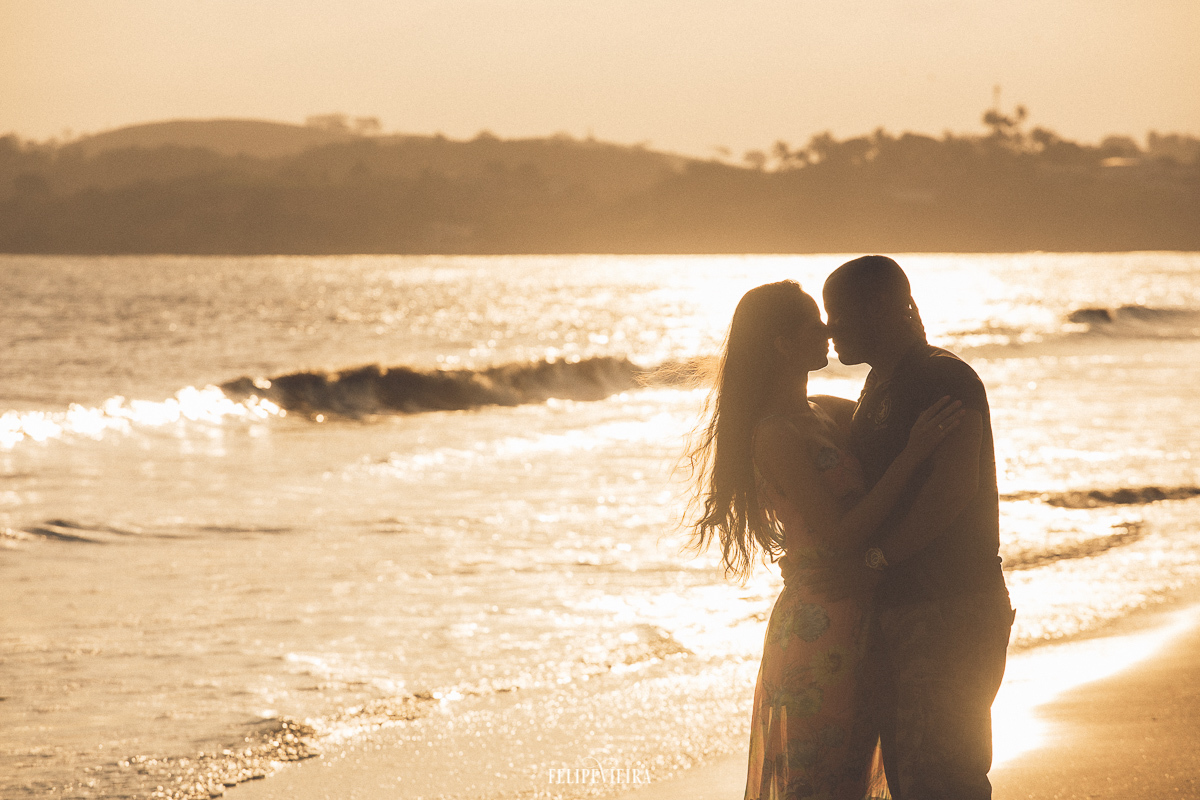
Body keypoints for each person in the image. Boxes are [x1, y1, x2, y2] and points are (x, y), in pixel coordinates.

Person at [686, 280, 964, 800]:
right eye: (815, 322)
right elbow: (837, 537)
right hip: (819, 625)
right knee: (819, 780)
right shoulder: (775, 433)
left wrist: (913, 343)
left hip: (860, 611)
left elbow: (889, 400)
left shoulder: (823, 412)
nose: (829, 329)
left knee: (851, 775)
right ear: (782, 343)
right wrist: (912, 457)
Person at [815, 256, 1015, 800]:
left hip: (950, 607)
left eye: (838, 314)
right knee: (909, 777)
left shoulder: (941, 377)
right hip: (904, 608)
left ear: (881, 307)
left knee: (944, 778)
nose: (830, 329)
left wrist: (876, 562)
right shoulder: (882, 383)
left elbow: (952, 490)